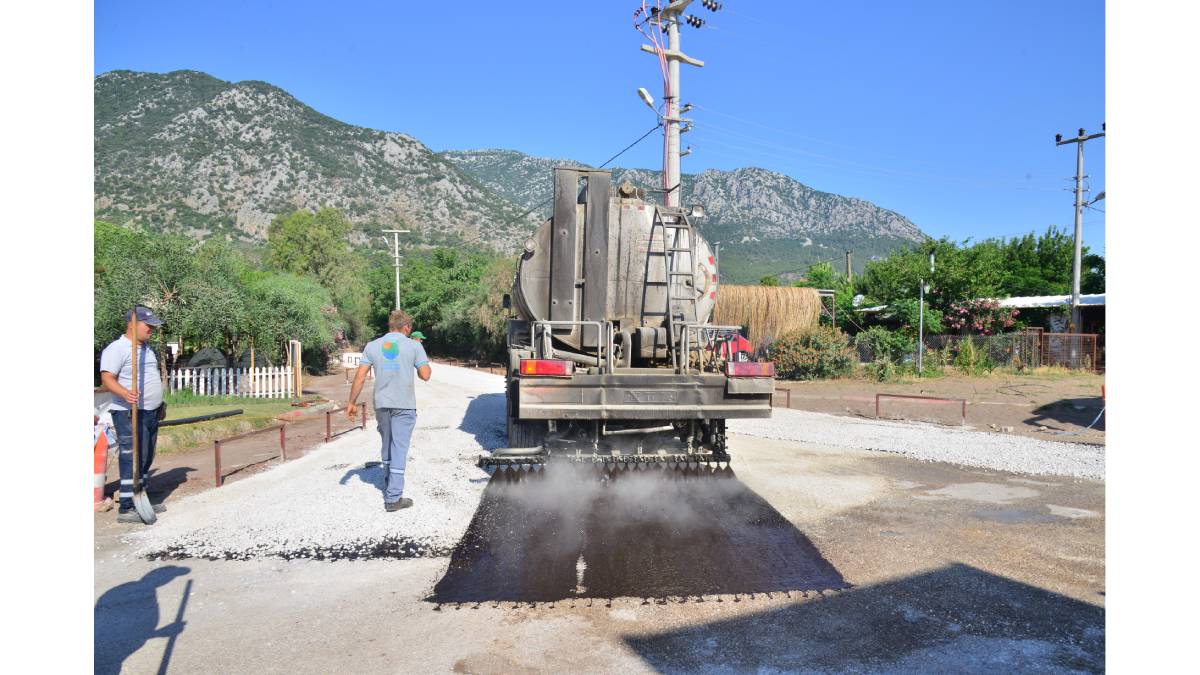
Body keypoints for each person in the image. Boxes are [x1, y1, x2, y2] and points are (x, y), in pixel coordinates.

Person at [348, 309, 432, 512]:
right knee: (399, 448)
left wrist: (351, 402)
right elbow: (425, 375)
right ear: (407, 327)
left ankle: (388, 482)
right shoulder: (414, 346)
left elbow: (359, 377)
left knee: (387, 445)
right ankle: (393, 498)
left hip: (382, 404)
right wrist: (419, 355)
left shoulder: (372, 346)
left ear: (389, 326)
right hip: (404, 405)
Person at [99, 307, 167, 524]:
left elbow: (151, 378)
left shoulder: (147, 349)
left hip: (150, 411)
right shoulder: (117, 349)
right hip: (129, 413)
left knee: (146, 455)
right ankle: (127, 507)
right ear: (132, 324)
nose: (152, 330)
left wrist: (160, 403)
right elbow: (107, 378)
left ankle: (141, 497)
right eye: (148, 325)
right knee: (131, 457)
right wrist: (125, 393)